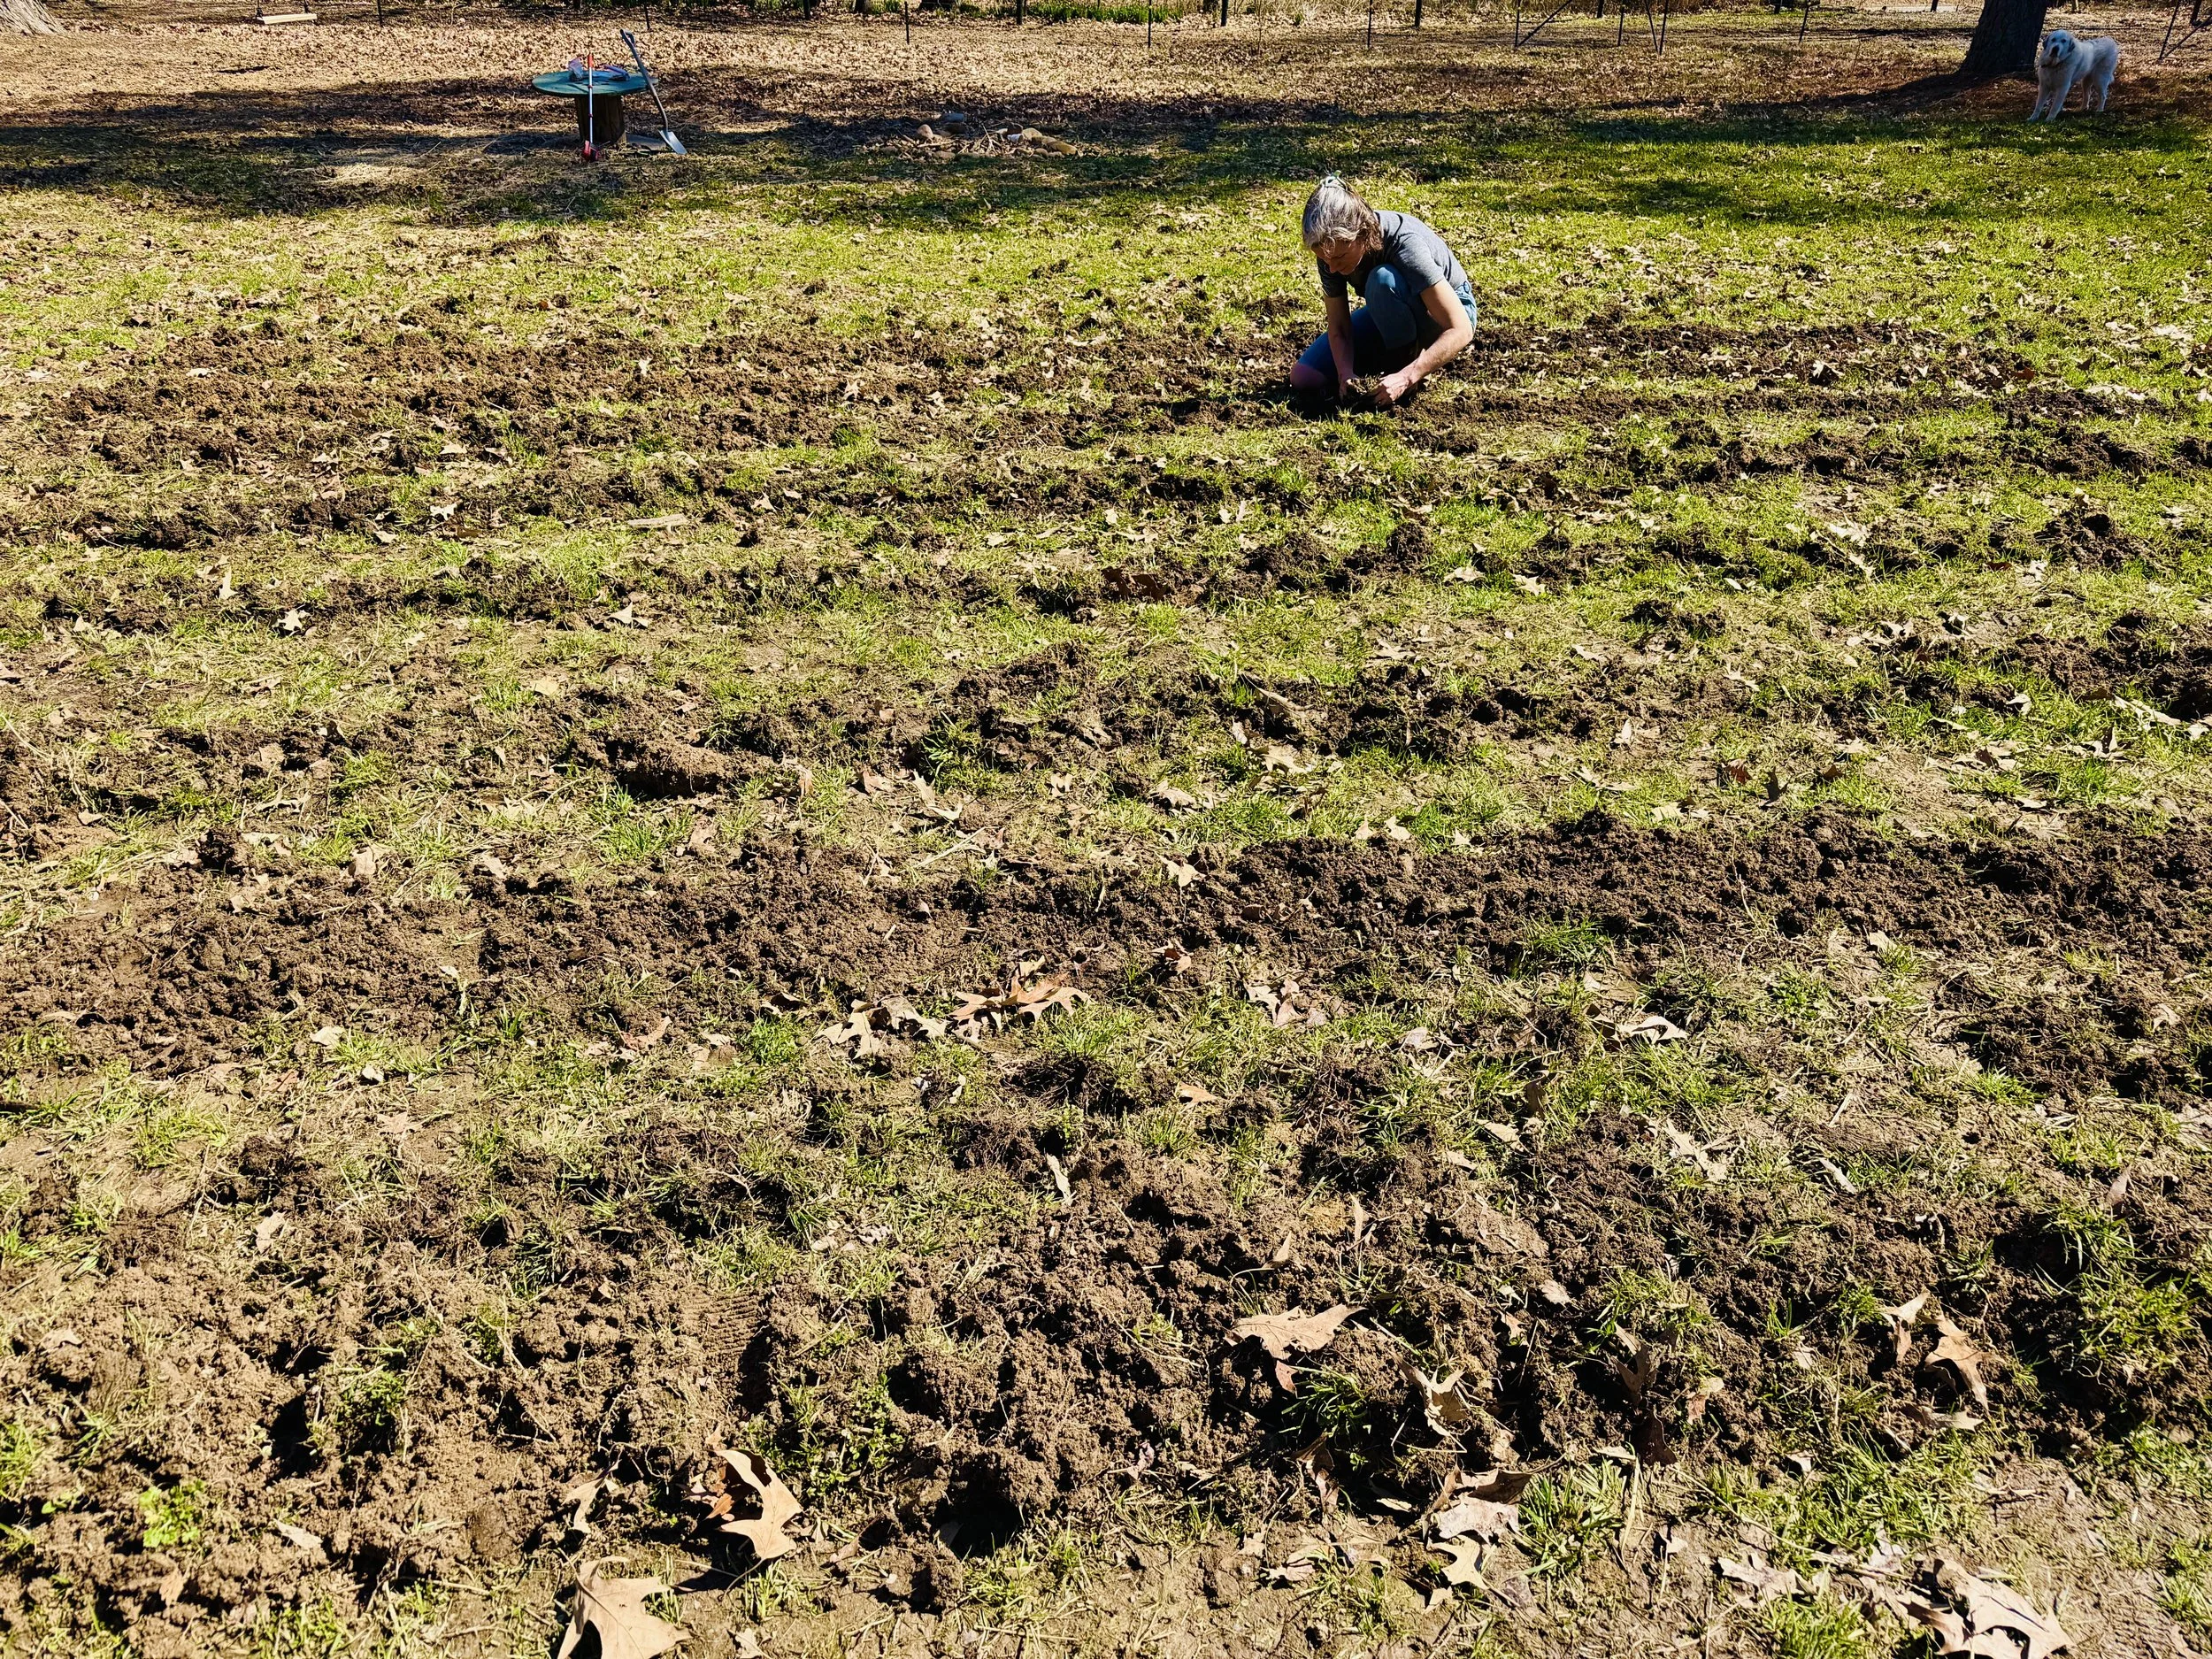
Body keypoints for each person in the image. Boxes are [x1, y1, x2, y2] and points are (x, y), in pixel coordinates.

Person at [1290, 175, 1477, 408]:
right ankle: (1391, 362)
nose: (1332, 268)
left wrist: (1406, 376)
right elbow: (1338, 326)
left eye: (1339, 258)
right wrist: (1345, 374)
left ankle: (1404, 370)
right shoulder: (1330, 250)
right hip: (1389, 306)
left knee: (1382, 280)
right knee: (1305, 377)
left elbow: (1461, 328)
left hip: (1445, 312)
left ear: (1362, 233)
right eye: (1324, 259)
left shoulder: (1406, 244)